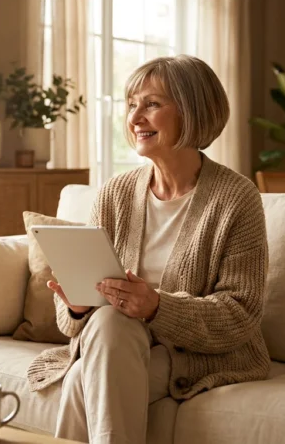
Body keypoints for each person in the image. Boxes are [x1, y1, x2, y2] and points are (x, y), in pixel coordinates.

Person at [26, 55, 270, 444]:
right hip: (114, 341)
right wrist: (75, 305)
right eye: (131, 104)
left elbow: (241, 315)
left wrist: (156, 307)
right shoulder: (115, 194)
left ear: (192, 111)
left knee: (79, 381)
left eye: (152, 104)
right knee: (108, 324)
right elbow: (71, 321)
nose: (135, 117)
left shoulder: (237, 198)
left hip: (195, 354)